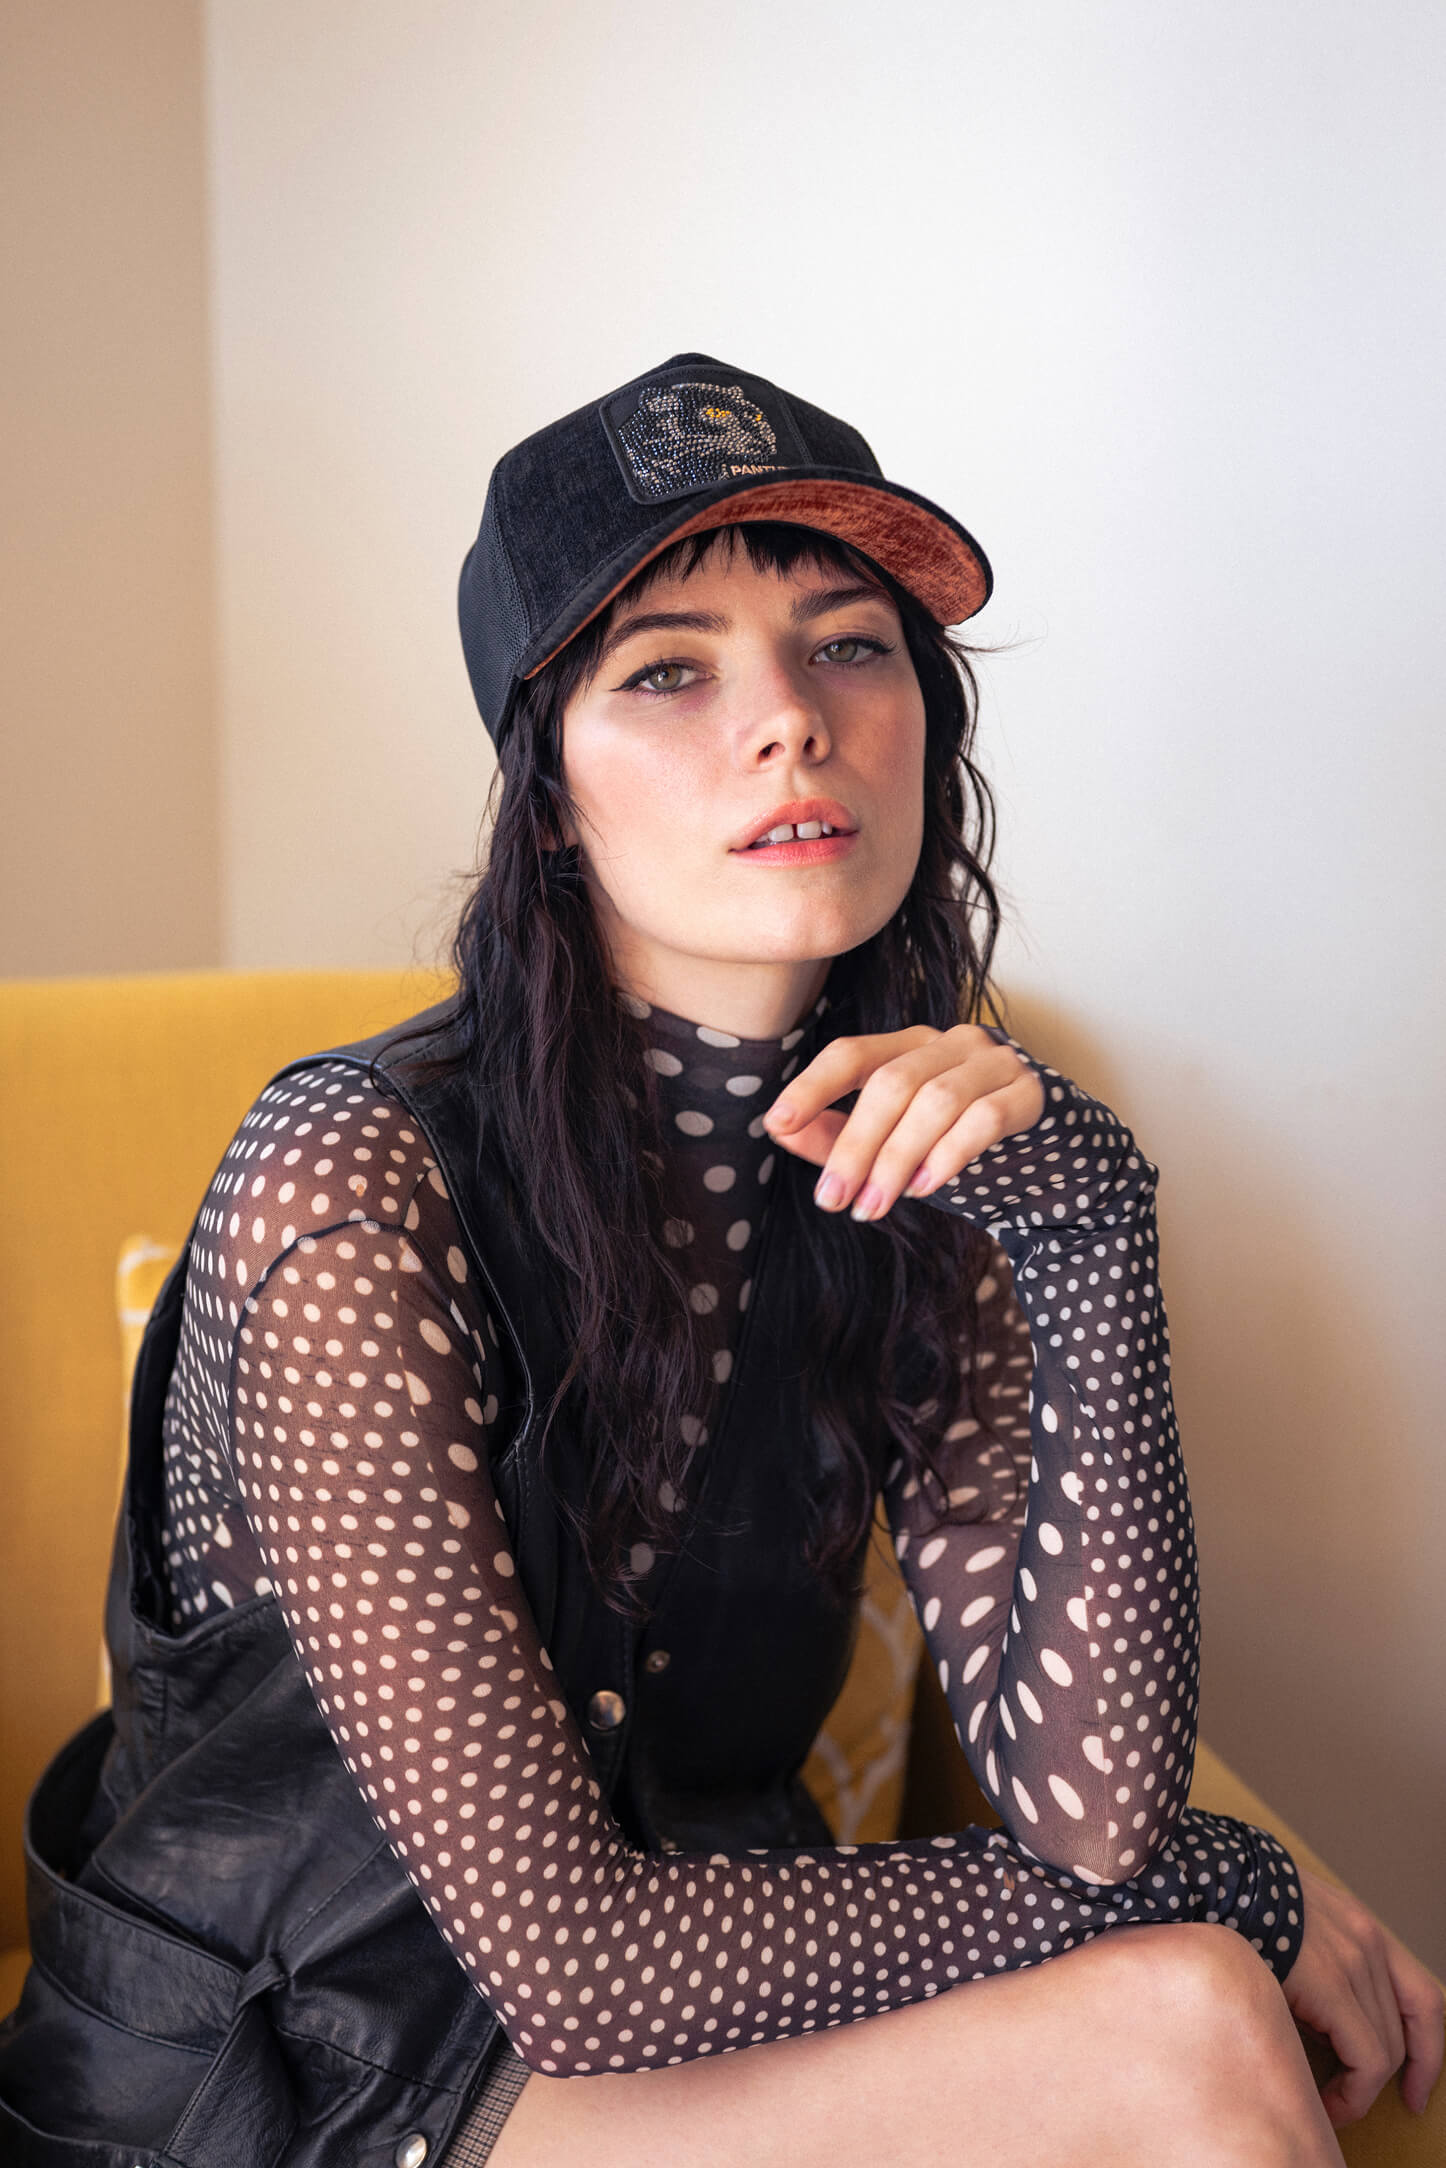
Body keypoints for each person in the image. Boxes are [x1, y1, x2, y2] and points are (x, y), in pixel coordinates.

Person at [1, 353, 1438, 2165]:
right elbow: (579, 1970)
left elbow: (1090, 1809)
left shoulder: (946, 1163)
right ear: (544, 796)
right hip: (295, 2086)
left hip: (693, 2030)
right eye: (666, 669)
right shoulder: (352, 1184)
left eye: (849, 644)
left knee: (1191, 2005)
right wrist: (1236, 1881)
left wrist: (1083, 1224)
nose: (789, 720)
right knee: (1185, 2010)